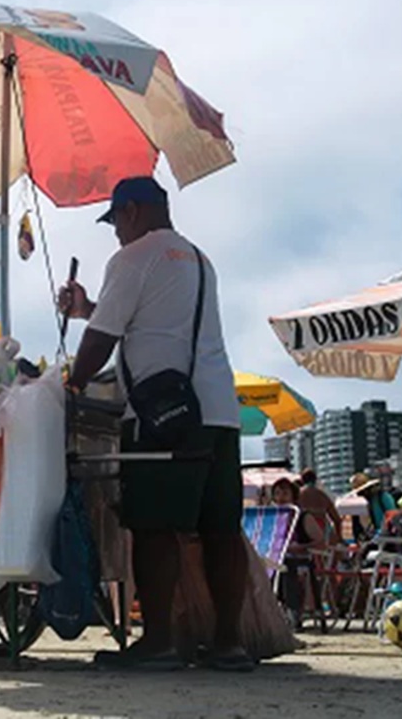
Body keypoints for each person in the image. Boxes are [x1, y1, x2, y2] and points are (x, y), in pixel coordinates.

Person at [61, 176, 250, 671]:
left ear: (132, 212)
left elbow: (104, 338)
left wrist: (73, 385)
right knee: (221, 531)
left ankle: (159, 642)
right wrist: (84, 309)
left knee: (152, 527)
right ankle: (228, 644)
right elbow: (151, 321)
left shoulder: (133, 257)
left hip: (162, 416)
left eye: (116, 222)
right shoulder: (198, 259)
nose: (115, 234)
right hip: (218, 412)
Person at [271, 477, 325, 628]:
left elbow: (320, 541)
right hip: (274, 557)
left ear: (293, 497)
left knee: (286, 566)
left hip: (298, 558)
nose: (280, 497)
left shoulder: (302, 516)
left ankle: (292, 610)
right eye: (277, 493)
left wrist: (300, 546)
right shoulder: (271, 517)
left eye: (285, 493)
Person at [298, 468, 342, 543]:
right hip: (322, 527)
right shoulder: (322, 495)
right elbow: (337, 519)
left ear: (302, 480)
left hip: (303, 530)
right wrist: (339, 537)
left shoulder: (298, 495)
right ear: (315, 479)